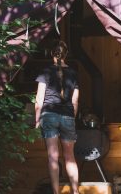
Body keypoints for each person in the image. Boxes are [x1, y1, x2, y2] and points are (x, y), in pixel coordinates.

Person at [35, 40, 79, 194]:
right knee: (70, 156)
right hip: (67, 115)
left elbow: (39, 101)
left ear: (51, 53)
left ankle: (56, 192)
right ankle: (75, 191)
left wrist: (36, 119)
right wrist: (71, 117)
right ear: (66, 54)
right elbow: (75, 101)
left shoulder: (45, 72)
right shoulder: (73, 73)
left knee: (53, 157)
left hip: (49, 115)